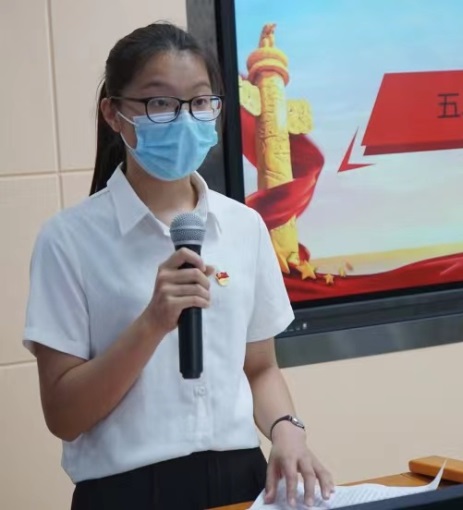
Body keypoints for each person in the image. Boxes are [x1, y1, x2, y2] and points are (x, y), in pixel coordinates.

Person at [23, 22, 333, 510]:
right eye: (160, 103)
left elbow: (260, 368)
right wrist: (151, 323)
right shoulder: (68, 240)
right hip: (127, 492)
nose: (185, 118)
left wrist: (287, 431)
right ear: (114, 113)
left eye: (200, 101)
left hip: (241, 481)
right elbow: (63, 415)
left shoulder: (244, 226)